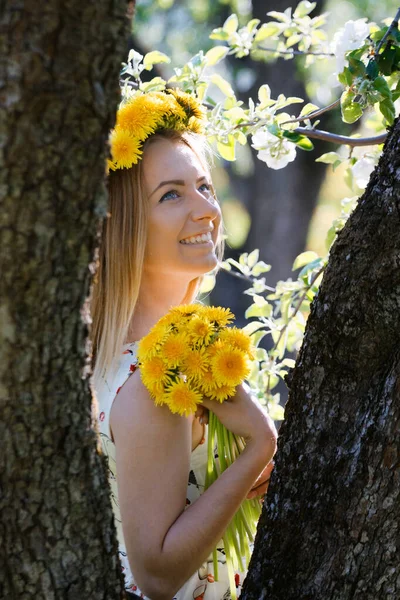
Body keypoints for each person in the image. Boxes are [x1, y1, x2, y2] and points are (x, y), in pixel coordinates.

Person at [91, 90, 277, 600]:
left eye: (203, 186)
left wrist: (241, 475)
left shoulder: (124, 351)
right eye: (171, 195)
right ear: (126, 225)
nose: (207, 211)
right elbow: (157, 575)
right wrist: (258, 444)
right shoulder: (155, 380)